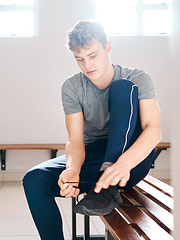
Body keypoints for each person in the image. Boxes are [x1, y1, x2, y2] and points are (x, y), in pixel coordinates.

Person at [22, 20, 161, 240]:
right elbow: (76, 140)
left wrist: (122, 164)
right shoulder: (72, 87)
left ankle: (107, 185)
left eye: (93, 55)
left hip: (131, 159)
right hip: (95, 157)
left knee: (122, 88)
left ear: (108, 47)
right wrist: (73, 170)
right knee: (34, 179)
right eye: (79, 59)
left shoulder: (138, 78)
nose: (87, 65)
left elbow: (153, 131)